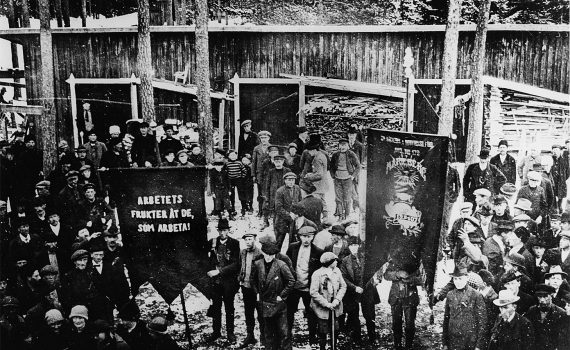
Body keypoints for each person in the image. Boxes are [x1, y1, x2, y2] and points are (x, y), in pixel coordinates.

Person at [251, 235, 295, 350]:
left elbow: (291, 280)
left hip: (278, 303)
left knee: (284, 331)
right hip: (264, 302)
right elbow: (252, 280)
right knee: (268, 331)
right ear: (263, 253)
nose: (269, 257)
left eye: (272, 255)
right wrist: (257, 293)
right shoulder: (258, 264)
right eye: (267, 254)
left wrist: (282, 295)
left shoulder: (281, 264)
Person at [286, 226, 324, 343]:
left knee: (311, 314)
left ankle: (312, 337)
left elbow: (319, 272)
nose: (306, 239)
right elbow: (286, 264)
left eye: (309, 237)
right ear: (300, 237)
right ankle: (287, 336)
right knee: (289, 312)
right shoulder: (292, 247)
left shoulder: (318, 252)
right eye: (304, 237)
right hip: (294, 287)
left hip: (309, 288)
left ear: (313, 237)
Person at [206, 218, 240, 343]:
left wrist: (219, 271)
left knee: (229, 308)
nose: (222, 233)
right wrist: (210, 271)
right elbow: (206, 259)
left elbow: (236, 264)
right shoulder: (212, 242)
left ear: (228, 230)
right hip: (215, 282)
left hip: (228, 282)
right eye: (220, 230)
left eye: (225, 230)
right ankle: (216, 332)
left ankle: (230, 333)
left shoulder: (234, 243)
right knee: (216, 307)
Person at [339, 236, 376, 344]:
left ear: (360, 246)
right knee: (354, 315)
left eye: (356, 245)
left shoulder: (368, 258)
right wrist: (354, 288)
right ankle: (357, 338)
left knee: (369, 315)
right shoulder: (345, 261)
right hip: (352, 292)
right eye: (351, 245)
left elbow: (375, 272)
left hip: (367, 290)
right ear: (349, 247)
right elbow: (343, 277)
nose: (354, 248)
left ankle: (372, 337)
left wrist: (372, 282)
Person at [442, 264, 487, 350]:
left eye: (460, 278)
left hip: (469, 342)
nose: (457, 282)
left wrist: (478, 346)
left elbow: (482, 322)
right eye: (455, 279)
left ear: (466, 278)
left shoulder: (476, 295)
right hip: (453, 341)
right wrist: (445, 343)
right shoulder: (450, 295)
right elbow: (446, 319)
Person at [383, 254, 422, 350]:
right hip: (396, 297)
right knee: (396, 324)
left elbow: (422, 279)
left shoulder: (415, 261)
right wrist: (397, 274)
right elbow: (386, 275)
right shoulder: (393, 261)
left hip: (410, 298)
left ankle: (408, 345)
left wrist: (410, 279)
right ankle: (397, 344)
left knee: (409, 324)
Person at [310, 252, 346, 350]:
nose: (337, 262)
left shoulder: (337, 271)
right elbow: (313, 293)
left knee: (335, 329)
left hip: (335, 307)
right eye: (335, 261)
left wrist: (337, 300)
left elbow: (343, 286)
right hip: (322, 308)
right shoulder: (317, 274)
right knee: (323, 331)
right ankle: (322, 347)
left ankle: (334, 346)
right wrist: (326, 304)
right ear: (330, 262)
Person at [237, 232, 262, 348]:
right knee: (248, 312)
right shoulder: (243, 252)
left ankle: (264, 336)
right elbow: (241, 267)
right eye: (246, 240)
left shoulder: (260, 253)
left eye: (250, 239)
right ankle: (250, 335)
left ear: (254, 240)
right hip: (245, 287)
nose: (247, 242)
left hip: (256, 289)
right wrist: (240, 280)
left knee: (260, 313)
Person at [523, 283, 566, 350]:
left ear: (551, 296)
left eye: (545, 296)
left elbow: (562, 340)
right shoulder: (532, 311)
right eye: (539, 296)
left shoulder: (561, 313)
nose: (542, 300)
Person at [330, 138, 360, 220]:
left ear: (348, 146)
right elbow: (331, 166)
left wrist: (353, 176)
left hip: (348, 179)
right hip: (337, 179)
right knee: (338, 198)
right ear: (339, 145)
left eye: (345, 145)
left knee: (347, 198)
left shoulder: (351, 154)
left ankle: (347, 215)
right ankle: (340, 215)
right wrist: (333, 175)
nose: (343, 147)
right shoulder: (335, 155)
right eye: (341, 145)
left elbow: (358, 166)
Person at [274, 172, 302, 248]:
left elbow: (300, 202)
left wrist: (297, 214)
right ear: (285, 180)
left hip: (293, 220)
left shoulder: (297, 188)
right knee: (279, 242)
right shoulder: (280, 191)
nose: (291, 182)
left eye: (293, 180)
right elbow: (278, 208)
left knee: (293, 242)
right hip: (282, 220)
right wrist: (288, 214)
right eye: (289, 180)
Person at [303, 138, 329, 218]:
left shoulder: (317, 159)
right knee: (322, 201)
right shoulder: (322, 155)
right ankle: (325, 217)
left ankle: (316, 218)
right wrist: (312, 173)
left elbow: (319, 175)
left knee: (316, 203)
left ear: (314, 150)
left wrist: (309, 176)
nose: (309, 153)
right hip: (323, 184)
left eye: (310, 151)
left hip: (318, 185)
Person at [252, 130, 271, 214]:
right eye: (262, 138)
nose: (263, 139)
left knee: (268, 192)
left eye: (265, 138)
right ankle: (260, 211)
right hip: (259, 174)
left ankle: (268, 210)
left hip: (268, 173)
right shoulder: (257, 148)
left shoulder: (271, 148)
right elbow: (254, 162)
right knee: (260, 193)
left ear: (269, 138)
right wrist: (253, 175)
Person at [225, 150, 245, 216]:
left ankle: (243, 208)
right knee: (231, 194)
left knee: (241, 193)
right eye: (231, 155)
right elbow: (226, 172)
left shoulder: (239, 163)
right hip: (230, 180)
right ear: (228, 156)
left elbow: (244, 170)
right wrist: (227, 179)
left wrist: (242, 177)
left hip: (239, 179)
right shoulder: (227, 164)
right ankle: (233, 208)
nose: (233, 157)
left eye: (234, 155)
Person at [551, 144, 569, 213]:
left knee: (560, 195)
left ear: (560, 151)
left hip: (561, 181)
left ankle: (560, 207)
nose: (555, 152)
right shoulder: (551, 159)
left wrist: (563, 178)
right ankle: (554, 209)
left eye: (557, 150)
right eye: (554, 150)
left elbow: (568, 172)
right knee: (552, 195)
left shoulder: (564, 160)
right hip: (553, 181)